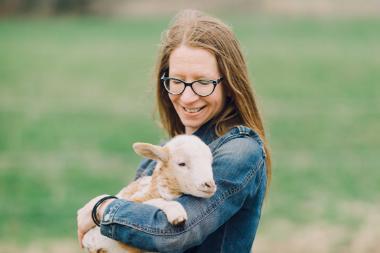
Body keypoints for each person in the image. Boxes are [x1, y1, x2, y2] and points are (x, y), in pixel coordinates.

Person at [77, 9, 272, 253]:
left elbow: (173, 233)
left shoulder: (241, 151)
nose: (188, 97)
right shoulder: (166, 156)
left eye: (203, 82)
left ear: (230, 84)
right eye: (177, 81)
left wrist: (102, 209)